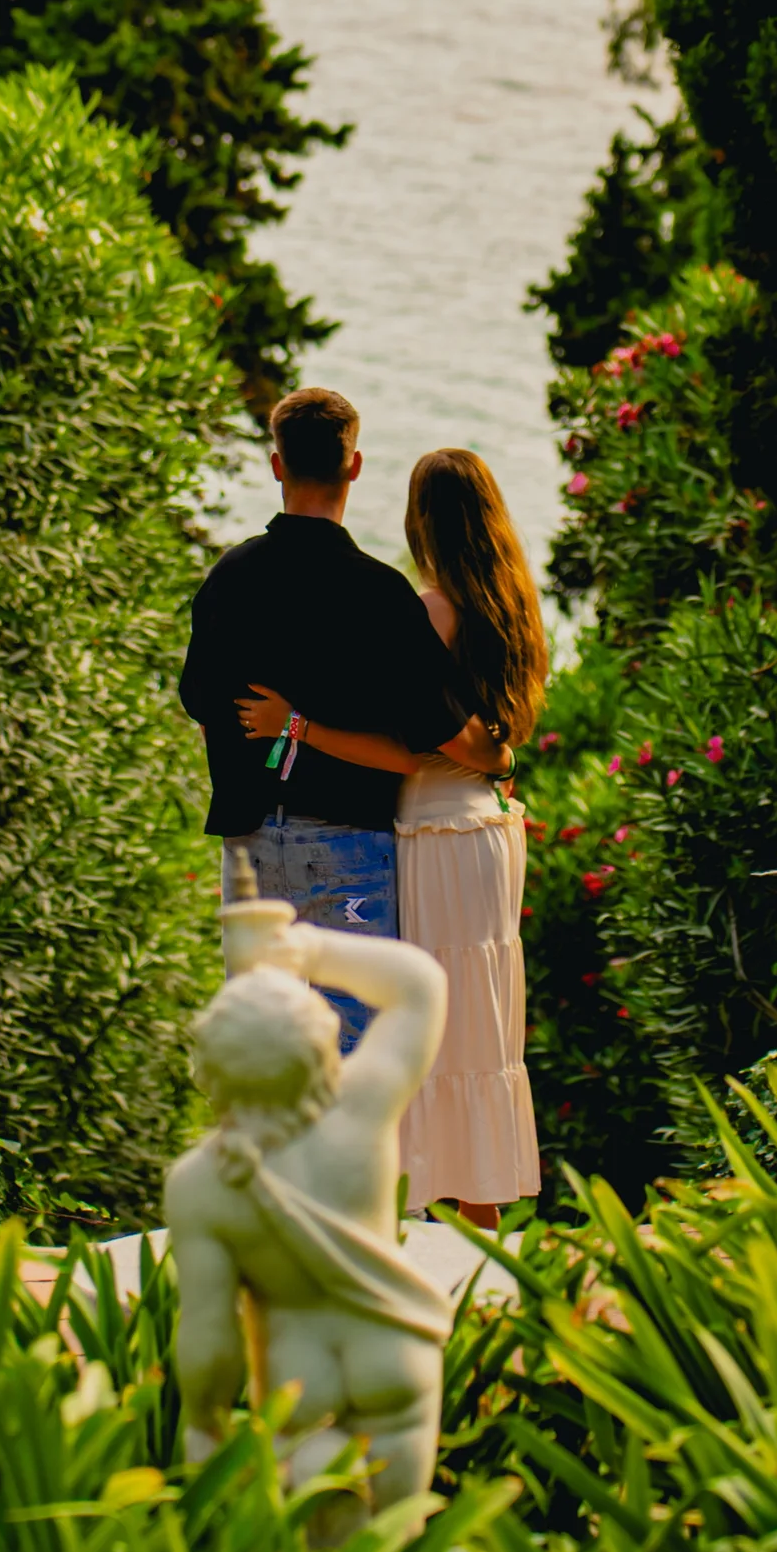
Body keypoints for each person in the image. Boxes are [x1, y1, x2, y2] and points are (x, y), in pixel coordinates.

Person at [236, 447, 544, 1230]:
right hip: (488, 827)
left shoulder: (430, 611)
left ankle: (423, 1244)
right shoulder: (511, 607)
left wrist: (296, 726)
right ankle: (483, 1247)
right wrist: (493, 753)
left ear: (421, 519)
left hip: (437, 831)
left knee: (434, 1040)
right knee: (481, 1033)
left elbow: (409, 746)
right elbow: (492, 746)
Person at [179, 386, 506, 1051]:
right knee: (354, 1059)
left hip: (248, 847)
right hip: (347, 845)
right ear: (354, 466)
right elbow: (423, 740)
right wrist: (499, 751)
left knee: (262, 1056)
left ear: (277, 466)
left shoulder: (229, 576)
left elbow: (206, 712)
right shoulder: (382, 593)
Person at [165, 881, 455, 1535]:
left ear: (211, 1068)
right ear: (318, 1045)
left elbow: (210, 1339)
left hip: (302, 1382)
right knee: (396, 1546)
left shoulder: (203, 1182)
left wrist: (204, 1425)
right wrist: (308, 948)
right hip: (393, 1355)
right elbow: (419, 986)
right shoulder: (359, 1109)